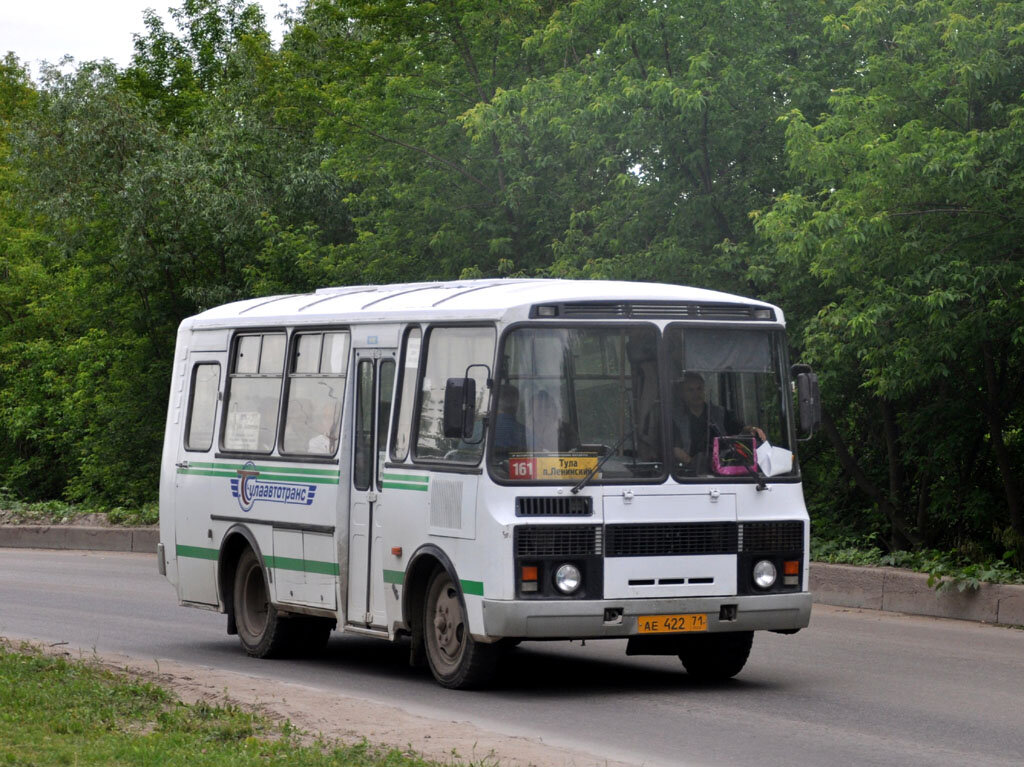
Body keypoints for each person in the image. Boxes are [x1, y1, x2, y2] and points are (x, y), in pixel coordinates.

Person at [672, 372, 764, 469]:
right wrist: (690, 463)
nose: (696, 394)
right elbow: (674, 448)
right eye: (690, 390)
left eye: (699, 389)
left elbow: (740, 429)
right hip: (687, 473)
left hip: (722, 470)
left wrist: (752, 429)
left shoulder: (721, 413)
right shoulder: (675, 419)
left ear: (705, 390)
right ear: (682, 394)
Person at [527, 389, 577, 453]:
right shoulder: (525, 432)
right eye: (539, 407)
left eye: (547, 407)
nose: (544, 411)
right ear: (531, 412)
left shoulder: (567, 430)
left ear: (555, 409)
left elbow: (574, 453)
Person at [492, 383, 526, 454]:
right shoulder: (524, 433)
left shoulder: (480, 428)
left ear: (494, 403)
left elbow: (463, 455)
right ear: (516, 405)